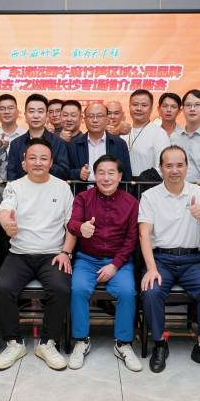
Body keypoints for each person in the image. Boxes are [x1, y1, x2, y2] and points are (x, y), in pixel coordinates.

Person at [140, 145, 200, 376]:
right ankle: (160, 343)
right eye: (169, 165)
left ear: (187, 167)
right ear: (161, 168)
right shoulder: (150, 196)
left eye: (179, 165)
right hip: (161, 259)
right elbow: (144, 234)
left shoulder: (198, 191)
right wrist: (151, 268)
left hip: (192, 260)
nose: (175, 170)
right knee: (151, 292)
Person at [0, 138, 75, 371]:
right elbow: (5, 210)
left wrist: (66, 252)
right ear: (24, 162)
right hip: (20, 253)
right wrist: (7, 224)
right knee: (2, 287)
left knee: (61, 288)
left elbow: (71, 225)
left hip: (53, 254)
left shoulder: (62, 187)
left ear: (51, 162)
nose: (38, 162)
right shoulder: (15, 186)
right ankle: (14, 343)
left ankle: (47, 343)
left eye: (43, 158)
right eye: (33, 158)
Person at [66, 154, 141, 371]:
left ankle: (123, 343)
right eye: (101, 173)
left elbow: (131, 239)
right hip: (87, 259)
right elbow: (72, 223)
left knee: (127, 291)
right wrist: (81, 228)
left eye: (111, 173)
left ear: (120, 176)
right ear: (94, 176)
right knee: (78, 289)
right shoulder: (83, 198)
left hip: (119, 261)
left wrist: (115, 265)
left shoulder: (131, 203)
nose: (106, 178)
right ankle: (82, 341)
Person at [7, 93, 69, 180]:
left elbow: (64, 173)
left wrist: (43, 166)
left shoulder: (59, 143)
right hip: (23, 188)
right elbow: (11, 175)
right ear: (25, 115)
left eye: (40, 111)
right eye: (31, 111)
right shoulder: (16, 144)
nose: (36, 116)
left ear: (47, 115)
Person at [68, 102, 132, 182]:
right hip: (84, 189)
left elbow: (126, 175)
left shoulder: (119, 144)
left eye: (99, 116)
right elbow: (66, 172)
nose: (95, 120)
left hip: (112, 189)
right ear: (84, 119)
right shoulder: (74, 144)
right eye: (91, 116)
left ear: (107, 119)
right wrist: (78, 173)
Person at [121, 89, 170, 177]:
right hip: (121, 183)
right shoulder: (122, 131)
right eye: (135, 104)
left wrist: (140, 181)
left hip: (146, 183)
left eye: (144, 105)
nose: (139, 108)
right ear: (129, 106)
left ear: (151, 109)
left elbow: (162, 166)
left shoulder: (159, 134)